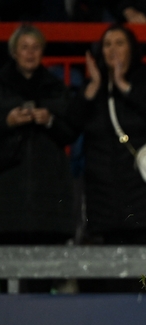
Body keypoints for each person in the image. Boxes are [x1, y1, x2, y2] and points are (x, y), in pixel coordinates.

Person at [73, 24, 146, 293]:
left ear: (132, 48)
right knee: (114, 283)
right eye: (107, 44)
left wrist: (124, 85)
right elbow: (70, 124)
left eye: (119, 43)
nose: (113, 50)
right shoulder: (94, 89)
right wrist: (95, 87)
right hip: (107, 204)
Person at [0, 24, 81, 292]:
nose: (30, 53)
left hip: (46, 206)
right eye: (24, 47)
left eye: (35, 47)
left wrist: (49, 121)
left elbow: (71, 131)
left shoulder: (56, 89)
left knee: (40, 284)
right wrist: (7, 121)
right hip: (7, 198)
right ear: (13, 52)